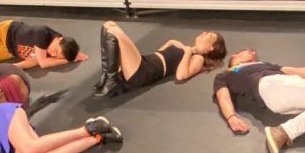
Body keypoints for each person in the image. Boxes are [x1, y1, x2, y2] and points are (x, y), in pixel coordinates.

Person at [92, 21, 227, 98]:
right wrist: (171, 43)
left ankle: (110, 80)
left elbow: (181, 75)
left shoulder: (197, 58)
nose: (203, 34)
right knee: (108, 25)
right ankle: (107, 77)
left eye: (209, 36)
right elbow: (159, 54)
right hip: (146, 61)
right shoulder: (186, 49)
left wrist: (187, 52)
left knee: (114, 31)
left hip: (144, 72)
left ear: (211, 48)